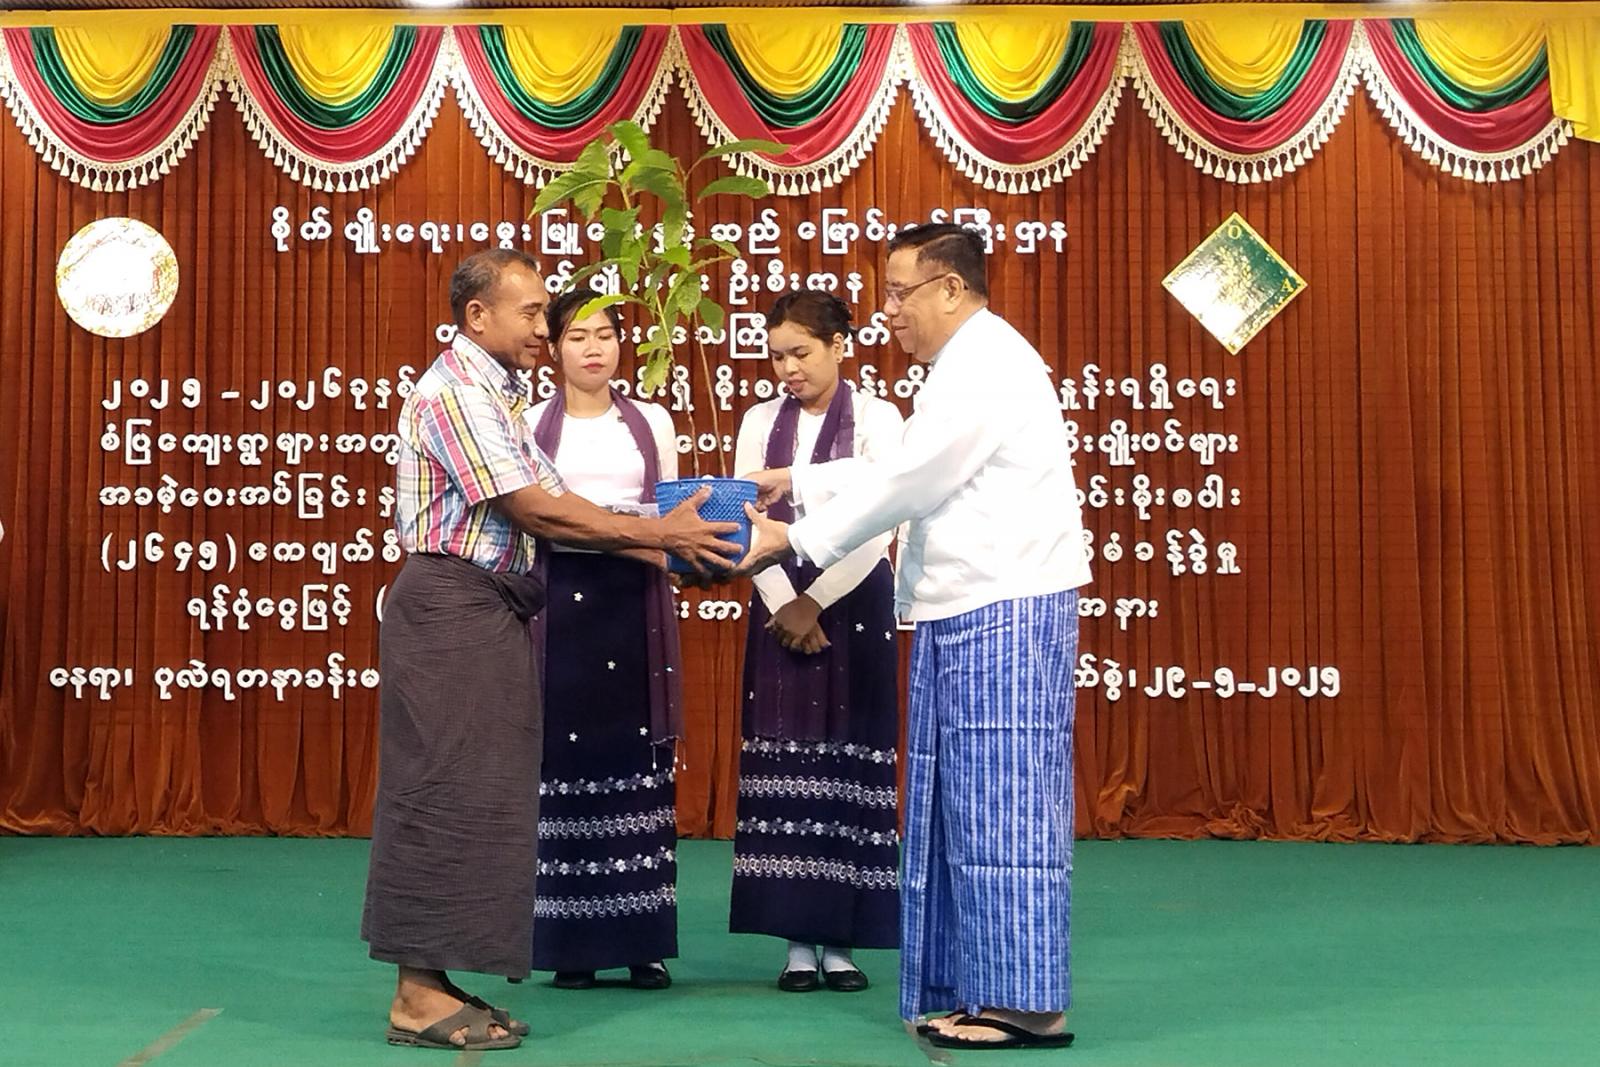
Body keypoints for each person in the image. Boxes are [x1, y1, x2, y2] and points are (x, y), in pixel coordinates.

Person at [362, 249, 739, 1052]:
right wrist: (662, 533)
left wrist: (676, 546)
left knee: (477, 793)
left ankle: (435, 980)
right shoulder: (457, 394)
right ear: (477, 316)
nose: (545, 326)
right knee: (439, 792)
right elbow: (539, 510)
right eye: (532, 312)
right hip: (454, 606)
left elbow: (563, 500)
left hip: (488, 608)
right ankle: (414, 995)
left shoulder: (497, 394)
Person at [736, 224, 1092, 1050]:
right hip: (961, 608)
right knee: (959, 810)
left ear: (952, 289)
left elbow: (912, 478)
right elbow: (902, 464)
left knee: (1006, 812)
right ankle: (980, 989)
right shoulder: (962, 366)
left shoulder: (987, 364)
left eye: (900, 292)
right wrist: (796, 479)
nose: (888, 310)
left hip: (1004, 604)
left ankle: (1028, 1004)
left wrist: (792, 536)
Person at [728, 291, 905, 993]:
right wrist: (783, 602)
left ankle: (842, 944)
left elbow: (883, 516)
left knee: (848, 763)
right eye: (777, 356)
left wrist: (815, 600)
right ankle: (798, 945)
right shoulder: (757, 421)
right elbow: (743, 519)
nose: (788, 369)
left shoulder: (880, 418)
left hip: (853, 596)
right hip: (777, 602)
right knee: (789, 761)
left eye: (801, 352)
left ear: (839, 346)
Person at [524, 289, 682, 991]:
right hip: (560, 609)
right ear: (554, 348)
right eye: (578, 336)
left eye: (606, 334)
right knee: (564, 766)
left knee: (636, 763)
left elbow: (670, 515)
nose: (594, 348)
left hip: (634, 602)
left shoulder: (652, 422)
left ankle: (643, 942)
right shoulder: (528, 424)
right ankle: (572, 945)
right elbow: (533, 517)